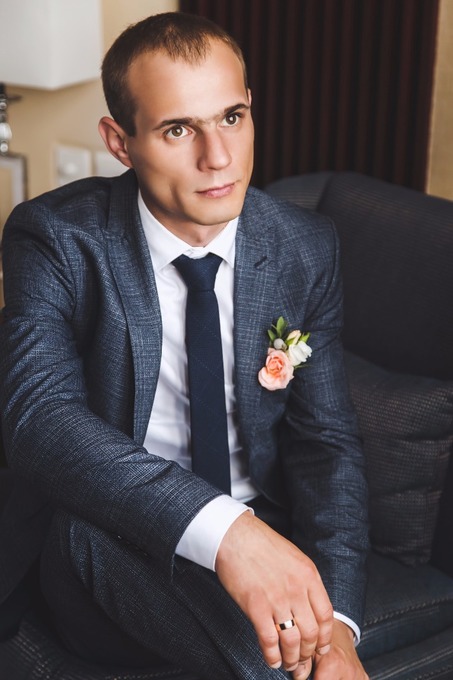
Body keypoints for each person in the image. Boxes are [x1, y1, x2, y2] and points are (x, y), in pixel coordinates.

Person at [0, 12, 369, 680]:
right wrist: (228, 532)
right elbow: (40, 422)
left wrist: (338, 626)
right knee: (270, 666)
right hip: (106, 528)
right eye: (178, 129)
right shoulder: (55, 236)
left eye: (231, 117)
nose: (218, 157)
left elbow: (327, 447)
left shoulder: (305, 248)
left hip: (261, 523)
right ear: (120, 142)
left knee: (306, 659)